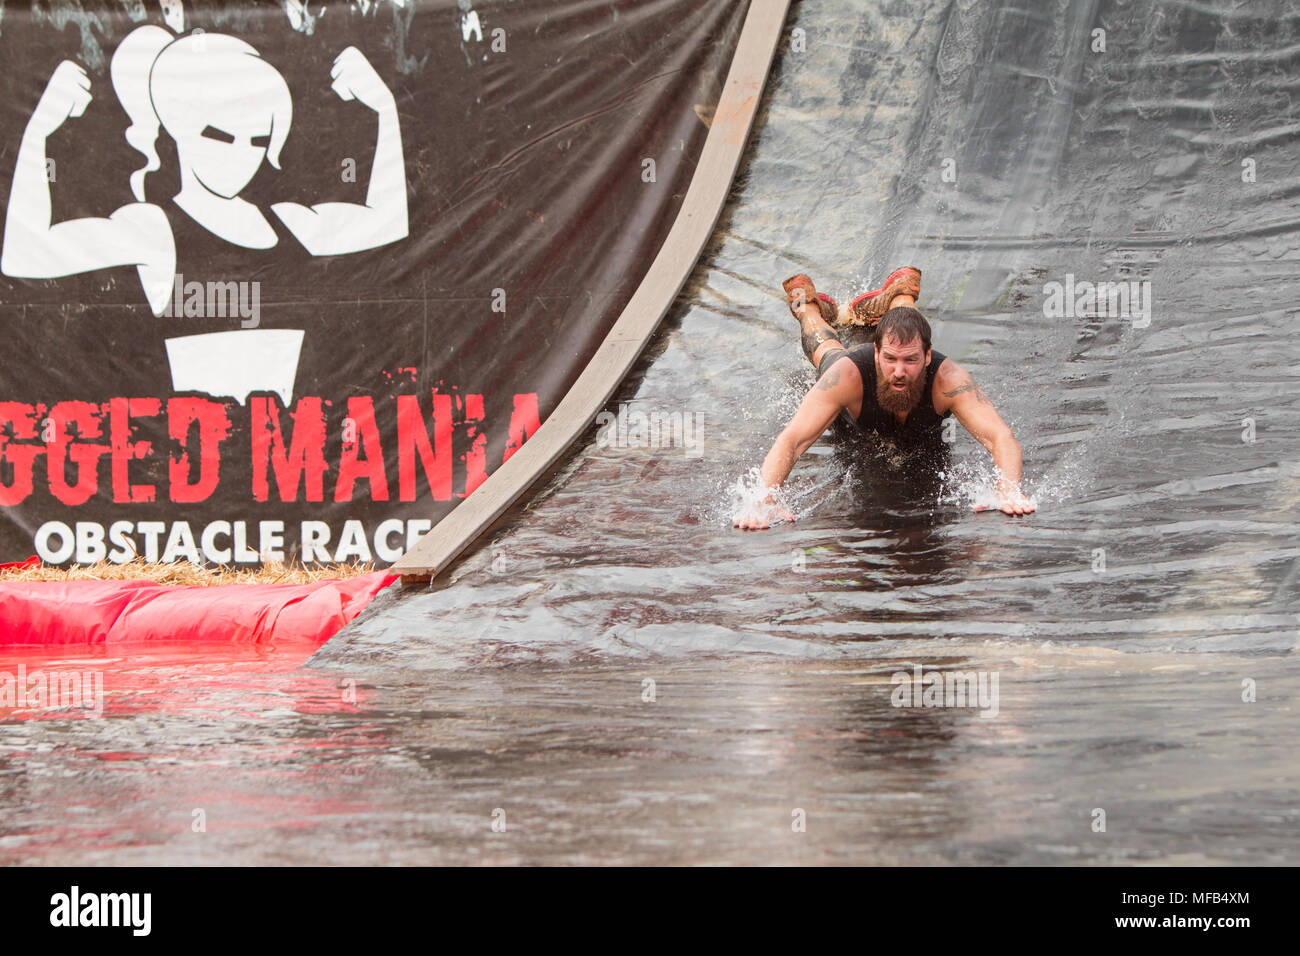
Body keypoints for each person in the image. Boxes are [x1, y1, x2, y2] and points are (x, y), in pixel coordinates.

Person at [734, 266, 1036, 530]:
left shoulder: (949, 380)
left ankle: (900, 297)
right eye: (889, 359)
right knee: (825, 349)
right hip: (846, 376)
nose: (899, 371)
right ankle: (808, 308)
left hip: (905, 343)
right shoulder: (848, 375)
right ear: (876, 352)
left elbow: (1000, 437)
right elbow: (792, 440)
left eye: (911, 361)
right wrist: (765, 499)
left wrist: (1008, 489)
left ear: (928, 356)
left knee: (908, 330)